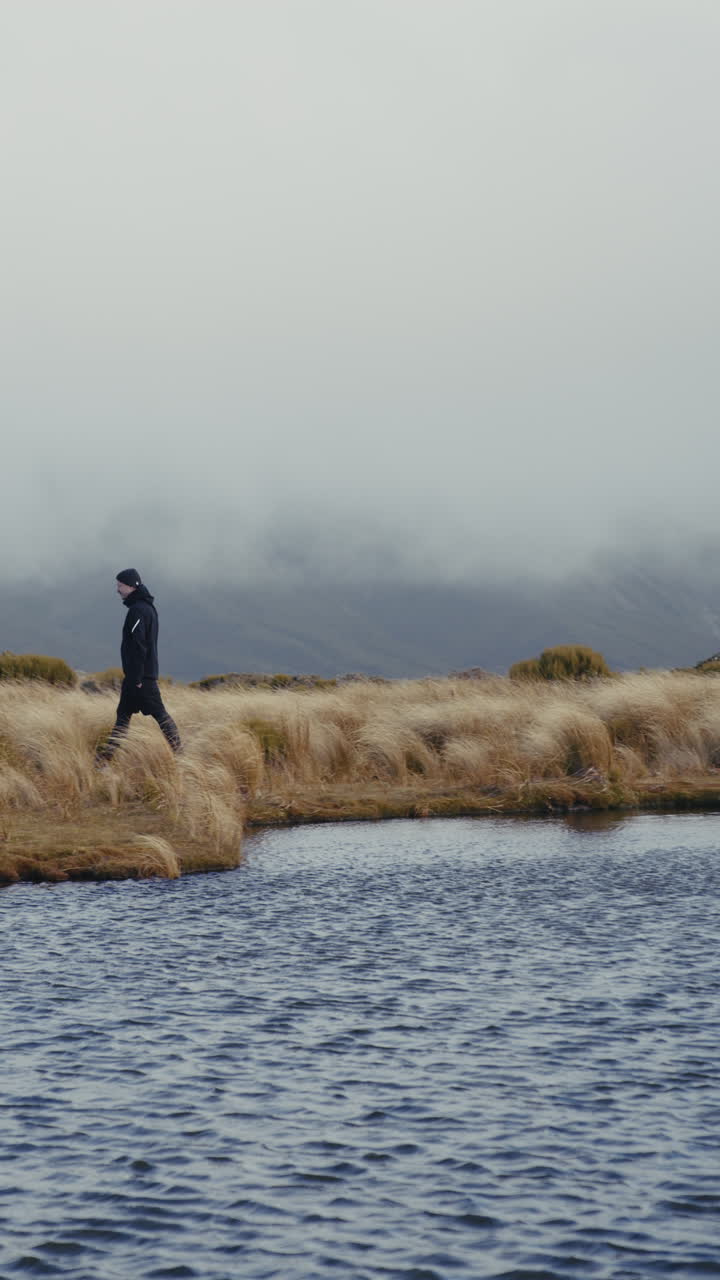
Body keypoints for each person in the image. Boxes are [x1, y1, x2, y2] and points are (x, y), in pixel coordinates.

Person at [97, 568, 181, 761]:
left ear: (131, 586)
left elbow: (138, 645)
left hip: (141, 679)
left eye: (120, 585)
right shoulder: (147, 608)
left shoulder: (138, 611)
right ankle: (103, 761)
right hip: (139, 677)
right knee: (123, 717)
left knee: (159, 715)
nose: (117, 589)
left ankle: (181, 755)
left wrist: (136, 679)